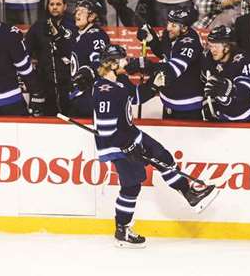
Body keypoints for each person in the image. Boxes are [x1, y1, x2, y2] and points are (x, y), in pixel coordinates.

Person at [91, 44, 219, 248]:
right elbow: (106, 130)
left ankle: (189, 194)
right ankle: (122, 230)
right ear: (112, 63)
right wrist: (126, 147)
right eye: (122, 59)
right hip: (117, 145)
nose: (127, 61)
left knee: (163, 156)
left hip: (132, 136)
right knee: (131, 187)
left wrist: (153, 86)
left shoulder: (119, 81)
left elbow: (135, 97)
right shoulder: (104, 90)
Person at [129, 6, 204, 120]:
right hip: (168, 101)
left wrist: (145, 66)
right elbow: (164, 53)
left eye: (173, 25)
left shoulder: (191, 43)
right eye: (168, 23)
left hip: (187, 106)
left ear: (184, 28)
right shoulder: (169, 34)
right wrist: (151, 39)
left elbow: (171, 70)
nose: (168, 28)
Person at [201, 25, 250, 122]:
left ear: (227, 47)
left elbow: (245, 89)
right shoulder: (208, 57)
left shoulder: (244, 59)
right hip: (230, 115)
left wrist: (229, 89)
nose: (212, 50)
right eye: (210, 45)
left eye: (216, 46)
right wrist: (209, 102)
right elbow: (206, 83)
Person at [25, 0, 77, 116]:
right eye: (51, 4)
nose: (54, 7)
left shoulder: (74, 25)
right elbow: (25, 52)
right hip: (45, 86)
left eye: (58, 4)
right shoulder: (38, 26)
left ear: (65, 6)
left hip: (69, 86)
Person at [68, 0, 111, 118]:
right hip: (77, 95)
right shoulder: (79, 35)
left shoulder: (96, 35)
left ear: (92, 16)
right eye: (77, 11)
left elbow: (101, 63)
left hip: (90, 96)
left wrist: (87, 73)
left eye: (82, 11)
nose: (77, 14)